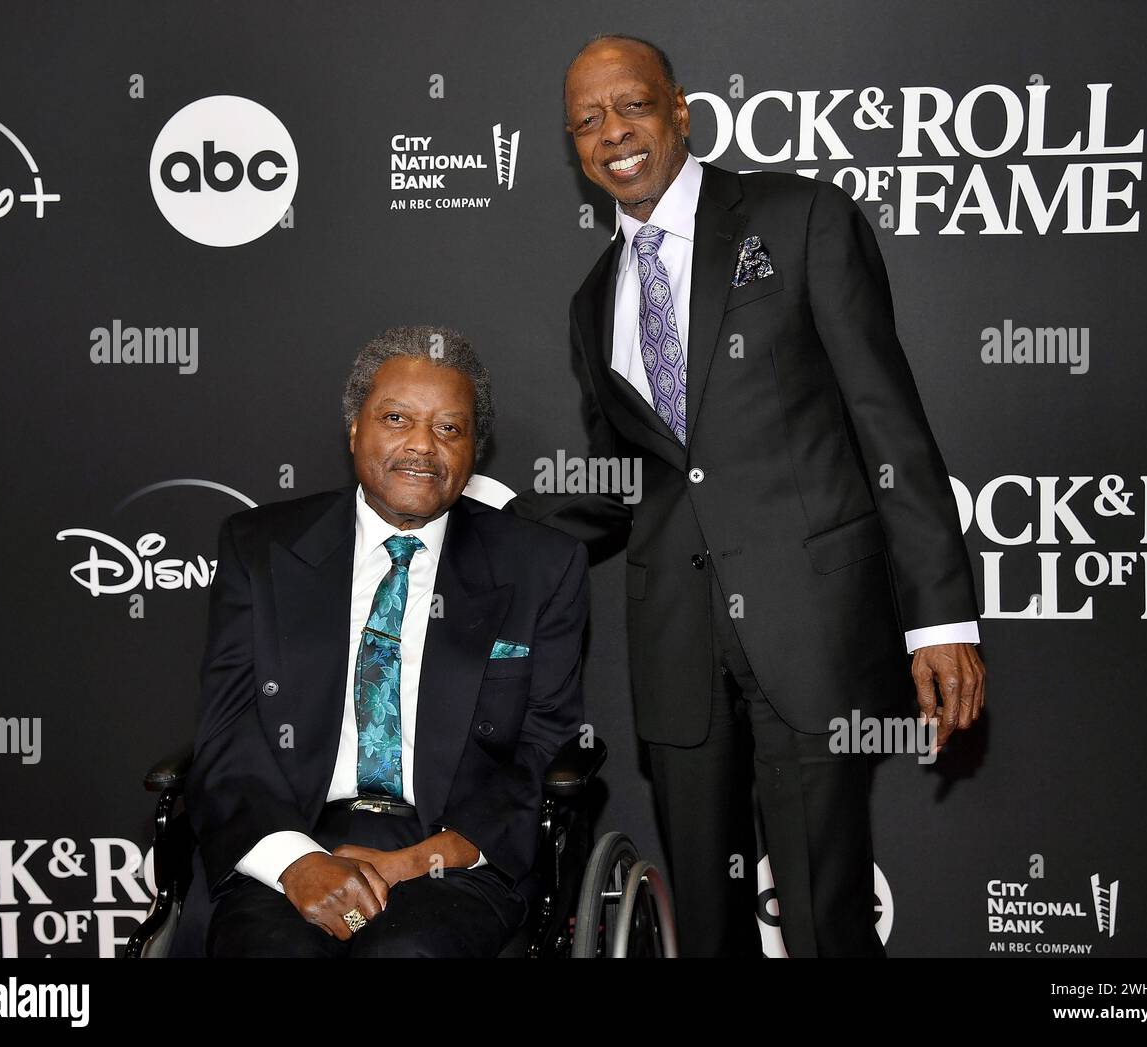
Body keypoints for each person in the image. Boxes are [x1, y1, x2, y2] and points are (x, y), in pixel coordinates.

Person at [506, 34, 986, 957]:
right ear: (574, 149)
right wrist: (481, 521)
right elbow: (624, 483)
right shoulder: (593, 298)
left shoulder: (799, 216)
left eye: (631, 106)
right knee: (709, 922)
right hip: (678, 646)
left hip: (809, 624)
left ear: (680, 110)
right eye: (586, 123)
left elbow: (889, 424)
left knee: (822, 916)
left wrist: (940, 619)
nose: (613, 133)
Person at [185, 325, 589, 957]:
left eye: (449, 428)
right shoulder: (259, 548)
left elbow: (542, 748)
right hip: (293, 833)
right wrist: (297, 864)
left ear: (474, 449)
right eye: (396, 418)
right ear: (354, 430)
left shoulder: (541, 566)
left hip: (451, 851)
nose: (422, 447)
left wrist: (415, 862)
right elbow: (230, 733)